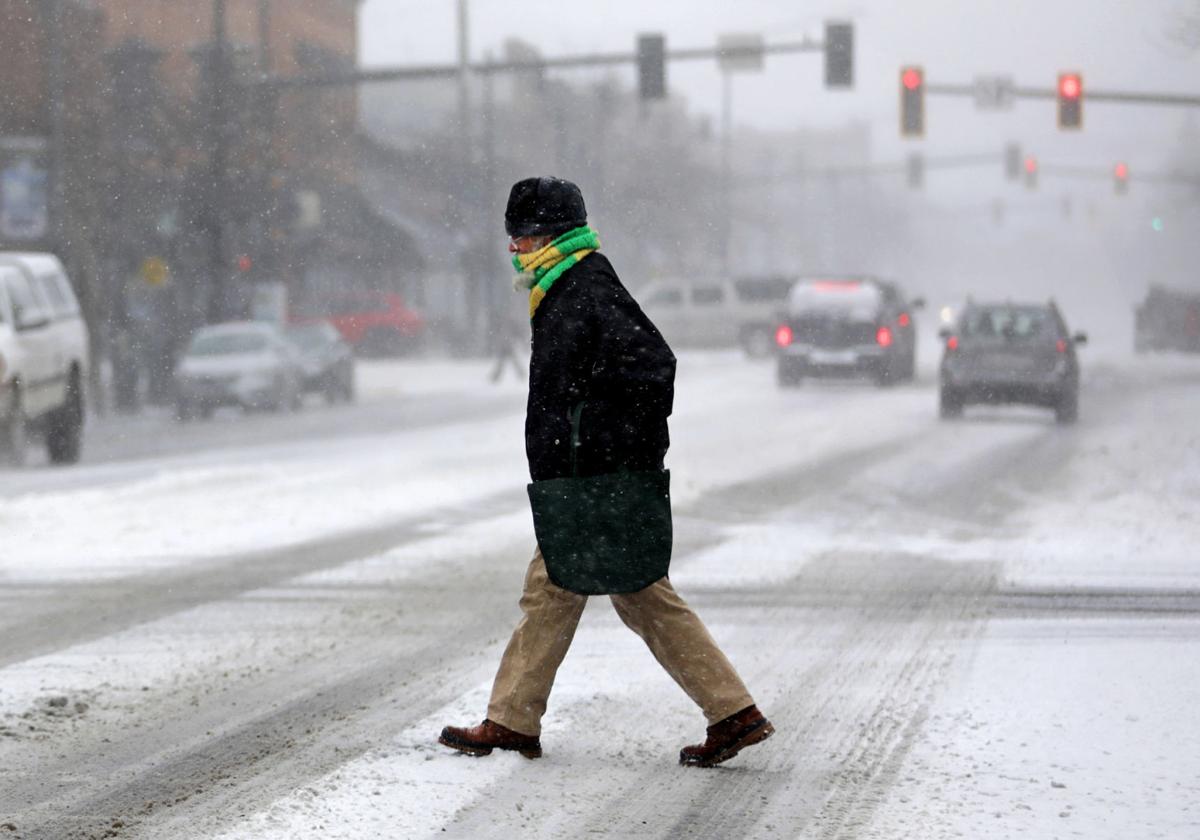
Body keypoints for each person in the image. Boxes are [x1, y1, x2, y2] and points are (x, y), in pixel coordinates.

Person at [439, 176, 773, 768]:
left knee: (583, 590)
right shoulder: (565, 285)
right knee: (589, 591)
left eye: (520, 239)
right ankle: (730, 712)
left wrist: (596, 445)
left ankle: (514, 721)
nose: (513, 251)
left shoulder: (582, 285)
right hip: (586, 478)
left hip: (595, 479)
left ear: (546, 236)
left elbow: (652, 366)